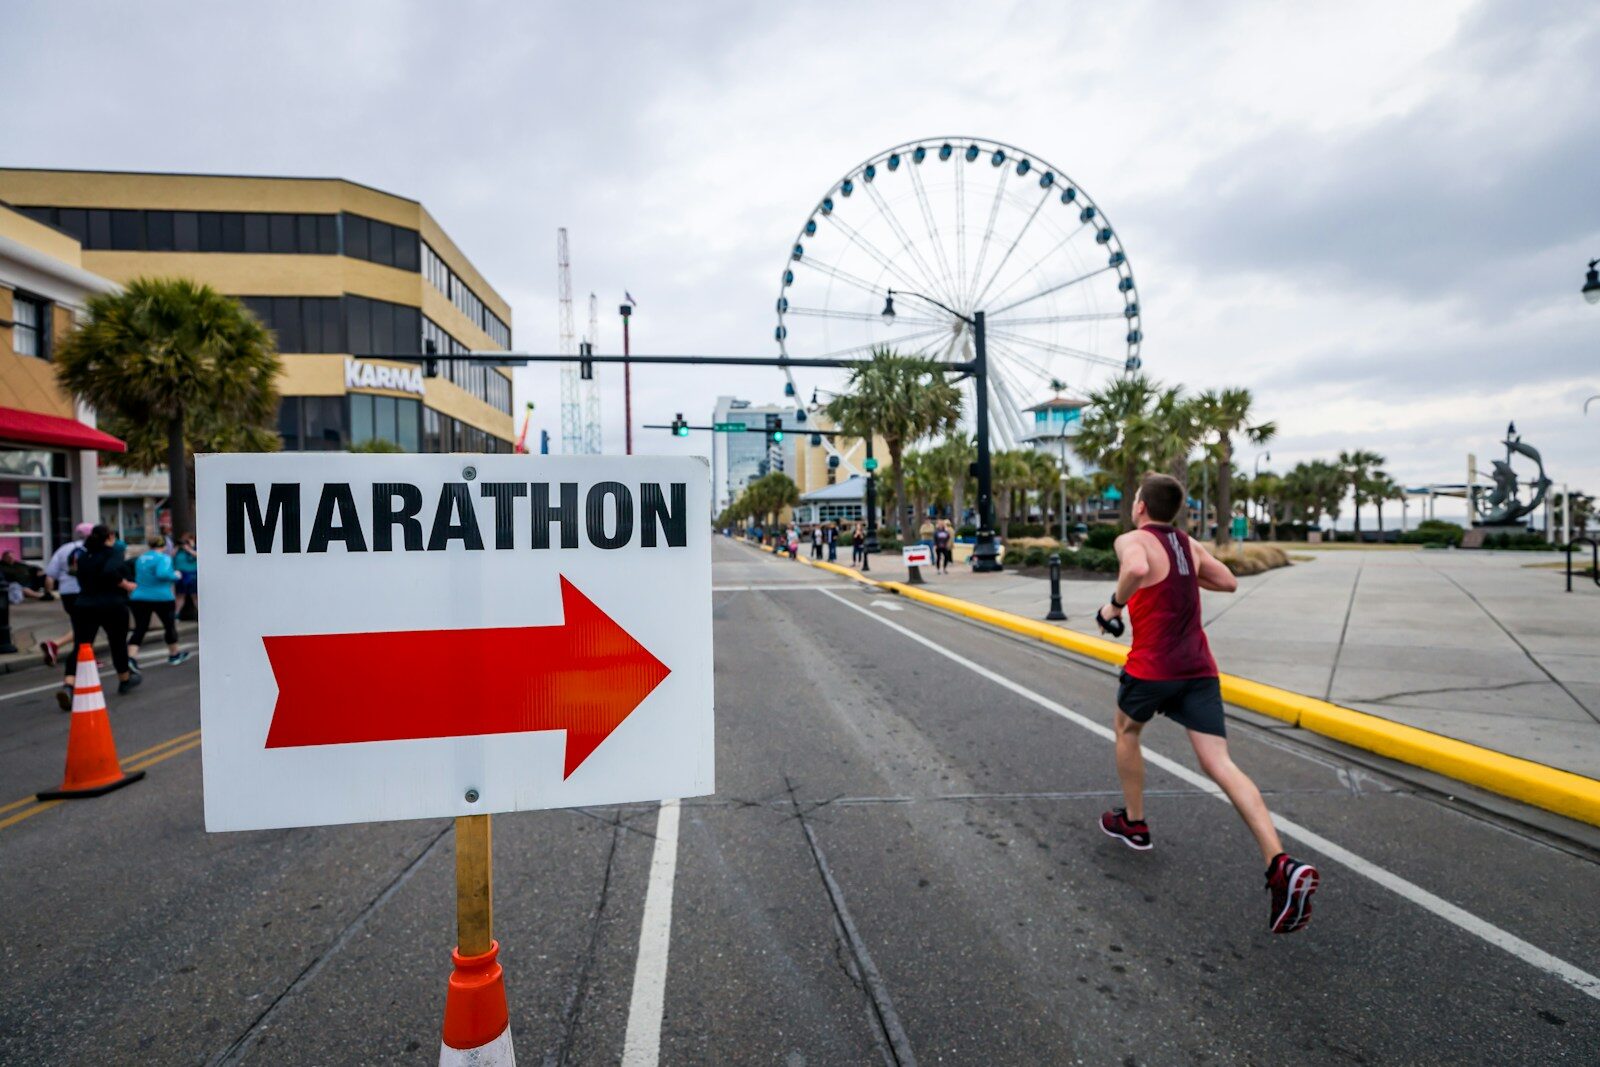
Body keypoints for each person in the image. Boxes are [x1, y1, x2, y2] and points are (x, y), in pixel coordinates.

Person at [1096, 473, 1320, 934]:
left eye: (1135, 499)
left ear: (1139, 506)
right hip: (1198, 669)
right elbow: (1229, 581)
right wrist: (1182, 578)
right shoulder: (1188, 544)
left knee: (1126, 731)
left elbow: (1137, 569)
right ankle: (1280, 863)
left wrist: (1114, 607)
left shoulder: (1131, 539)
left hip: (1153, 668)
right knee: (1220, 763)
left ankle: (1134, 823)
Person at [59, 525, 140, 707]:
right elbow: (110, 571)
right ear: (110, 536)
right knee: (117, 643)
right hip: (111, 604)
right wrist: (125, 584)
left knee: (81, 645)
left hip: (84, 604)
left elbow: (78, 576)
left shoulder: (84, 555)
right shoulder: (112, 552)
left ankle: (69, 684)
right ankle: (124, 679)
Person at [128, 535, 192, 670]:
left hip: (139, 596)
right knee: (169, 625)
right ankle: (174, 654)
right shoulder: (164, 558)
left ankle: (131, 657)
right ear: (163, 546)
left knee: (140, 627)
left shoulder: (141, 558)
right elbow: (162, 574)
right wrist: (176, 575)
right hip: (161, 597)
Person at [41, 522, 94, 669]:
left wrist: (49, 593)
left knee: (80, 624)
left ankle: (56, 646)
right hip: (84, 592)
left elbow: (50, 575)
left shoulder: (64, 549)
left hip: (66, 593)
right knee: (87, 626)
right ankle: (82, 658)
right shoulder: (91, 550)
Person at [174, 532, 199, 621]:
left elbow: (197, 556)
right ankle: (176, 614)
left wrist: (189, 548)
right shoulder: (179, 550)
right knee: (180, 595)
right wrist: (177, 547)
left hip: (192, 574)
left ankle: (200, 614)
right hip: (180, 574)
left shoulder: (194, 548)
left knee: (195, 595)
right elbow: (170, 556)